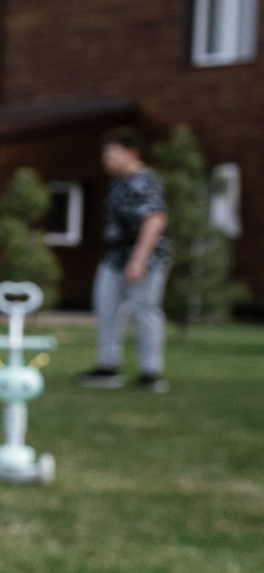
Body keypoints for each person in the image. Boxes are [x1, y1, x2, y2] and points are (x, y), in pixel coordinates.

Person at [76, 128, 170, 392]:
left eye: (112, 154)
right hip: (114, 257)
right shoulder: (117, 182)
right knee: (106, 308)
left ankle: (150, 373)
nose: (107, 160)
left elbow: (155, 219)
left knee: (145, 311)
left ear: (131, 154)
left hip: (145, 260)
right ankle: (108, 367)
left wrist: (139, 259)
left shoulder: (145, 181)